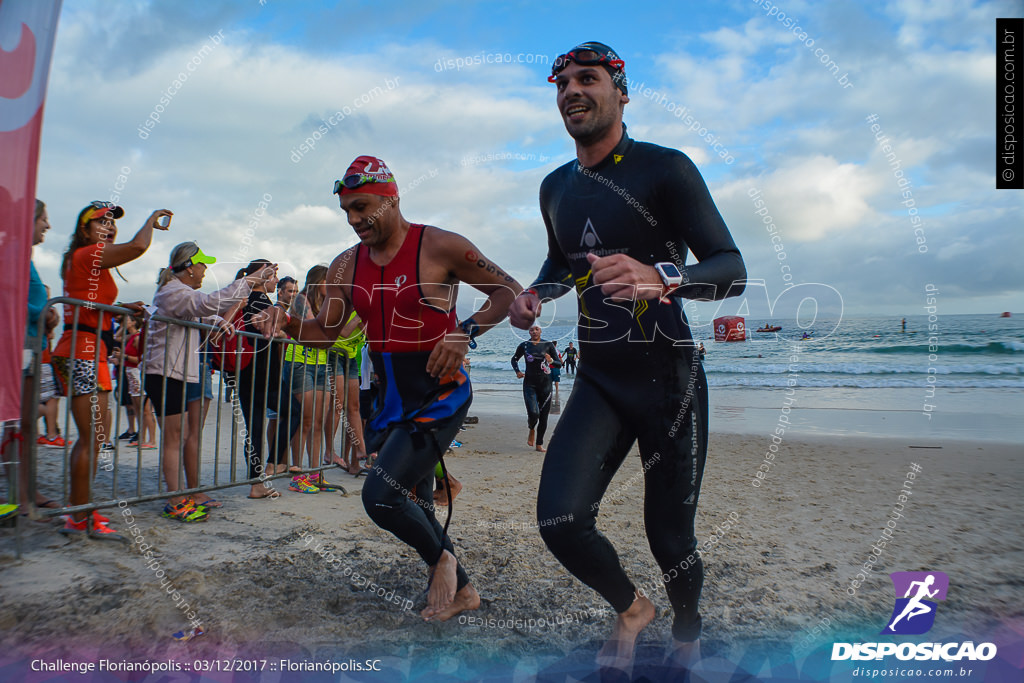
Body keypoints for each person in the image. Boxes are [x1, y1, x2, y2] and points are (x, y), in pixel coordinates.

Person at [508, 42, 746, 673]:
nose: (570, 93)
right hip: (600, 379)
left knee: (670, 537)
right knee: (560, 520)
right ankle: (632, 607)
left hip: (669, 379)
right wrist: (536, 293)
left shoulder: (665, 169)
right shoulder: (555, 187)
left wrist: (660, 274)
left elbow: (731, 271)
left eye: (587, 80)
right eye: (561, 84)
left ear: (621, 91)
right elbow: (562, 264)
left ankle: (687, 632)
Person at [257, 155, 520, 622]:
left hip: (442, 393)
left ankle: (446, 565)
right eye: (347, 211)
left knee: (380, 495)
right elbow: (327, 332)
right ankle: (458, 586)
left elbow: (508, 291)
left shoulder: (440, 245)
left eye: (362, 208)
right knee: (415, 498)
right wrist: (286, 323)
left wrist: (464, 332)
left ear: (391, 199)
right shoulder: (344, 265)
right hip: (392, 398)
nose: (355, 220)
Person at [52, 202, 171, 539]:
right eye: (100, 222)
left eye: (111, 222)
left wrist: (120, 308)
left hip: (90, 351)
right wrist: (150, 220)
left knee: (94, 439)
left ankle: (80, 512)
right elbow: (137, 247)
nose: (108, 226)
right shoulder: (88, 254)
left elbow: (87, 303)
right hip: (82, 351)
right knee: (93, 440)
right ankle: (78, 517)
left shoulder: (89, 259)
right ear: (84, 230)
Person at [145, 242, 266, 520]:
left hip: (172, 374)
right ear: (189, 266)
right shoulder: (172, 291)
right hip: (163, 374)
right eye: (202, 264)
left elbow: (201, 310)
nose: (205, 270)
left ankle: (181, 495)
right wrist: (247, 281)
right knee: (173, 439)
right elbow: (204, 303)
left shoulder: (178, 291)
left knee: (179, 436)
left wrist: (217, 320)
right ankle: (175, 500)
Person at [4, 200, 61, 510]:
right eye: (44, 219)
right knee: (22, 423)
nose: (47, 226)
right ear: (30, 220)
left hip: (28, 345)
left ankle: (24, 491)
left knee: (23, 423)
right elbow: (7, 296)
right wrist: (45, 313)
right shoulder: (15, 251)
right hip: (21, 347)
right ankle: (22, 495)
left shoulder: (22, 254)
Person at [234, 259, 302, 499]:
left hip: (247, 372)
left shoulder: (244, 300)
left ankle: (257, 483)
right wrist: (283, 332)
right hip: (264, 372)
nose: (275, 280)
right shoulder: (260, 301)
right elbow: (266, 333)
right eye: (273, 276)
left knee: (254, 428)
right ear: (262, 277)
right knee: (294, 411)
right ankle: (273, 464)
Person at [282, 265, 333, 493]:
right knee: (305, 419)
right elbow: (318, 331)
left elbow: (330, 334)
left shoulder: (326, 305)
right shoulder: (302, 300)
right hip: (301, 363)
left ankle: (315, 472)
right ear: (316, 282)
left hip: (321, 363)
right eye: (327, 281)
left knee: (318, 422)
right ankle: (298, 473)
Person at [510, 325, 558, 452]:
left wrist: (551, 360)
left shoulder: (548, 345)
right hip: (529, 384)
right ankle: (531, 428)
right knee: (533, 413)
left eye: (537, 329)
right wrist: (517, 371)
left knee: (543, 416)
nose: (534, 331)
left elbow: (559, 363)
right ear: (529, 331)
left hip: (546, 384)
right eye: (531, 329)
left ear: (540, 331)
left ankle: (539, 444)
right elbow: (514, 359)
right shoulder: (524, 345)